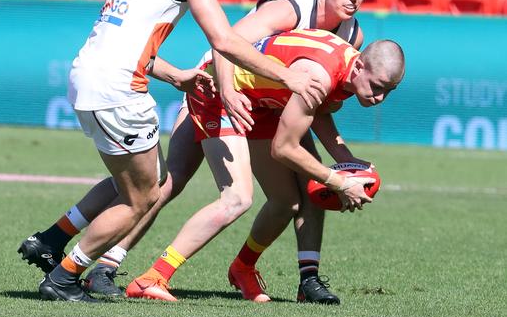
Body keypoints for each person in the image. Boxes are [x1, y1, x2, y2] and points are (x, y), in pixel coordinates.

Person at [20, 0, 326, 303]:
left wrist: (176, 76)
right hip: (119, 86)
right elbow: (225, 40)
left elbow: (125, 35)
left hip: (87, 70)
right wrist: (286, 76)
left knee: (129, 180)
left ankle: (52, 239)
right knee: (146, 194)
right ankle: (66, 275)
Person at [125, 28, 405, 302]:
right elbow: (283, 148)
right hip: (221, 92)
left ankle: (243, 268)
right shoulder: (320, 74)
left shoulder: (345, 69)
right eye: (377, 86)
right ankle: (153, 277)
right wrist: (340, 182)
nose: (380, 98)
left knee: (285, 202)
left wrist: (348, 159)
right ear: (359, 66)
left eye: (388, 91)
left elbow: (316, 111)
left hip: (262, 103)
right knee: (236, 198)